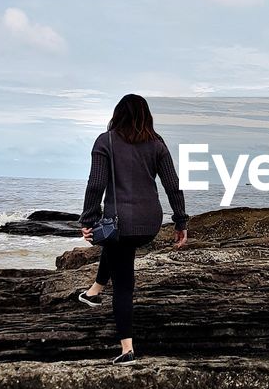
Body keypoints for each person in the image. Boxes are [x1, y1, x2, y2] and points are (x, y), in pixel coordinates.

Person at [77, 93, 188, 363]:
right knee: (115, 246)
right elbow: (172, 184)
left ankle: (127, 349)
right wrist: (181, 221)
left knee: (124, 281)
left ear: (117, 114)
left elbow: (96, 184)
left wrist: (88, 220)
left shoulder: (106, 141)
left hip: (121, 222)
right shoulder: (157, 143)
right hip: (150, 222)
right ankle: (94, 291)